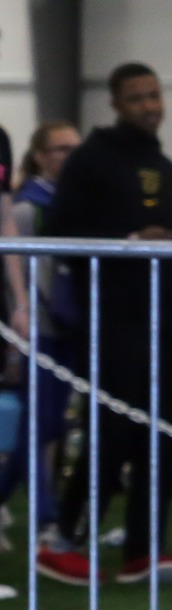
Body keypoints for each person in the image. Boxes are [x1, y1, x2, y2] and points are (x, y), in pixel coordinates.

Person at [36, 63, 172, 586]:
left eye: (155, 94)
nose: (150, 105)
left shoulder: (166, 165)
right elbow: (60, 231)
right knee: (111, 430)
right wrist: (128, 240)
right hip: (115, 317)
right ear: (115, 103)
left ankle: (144, 551)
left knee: (165, 434)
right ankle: (65, 541)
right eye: (136, 98)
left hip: (169, 314)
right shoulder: (91, 159)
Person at [0, 122, 81, 547]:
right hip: (41, 327)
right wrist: (23, 313)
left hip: (69, 326)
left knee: (47, 424)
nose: (69, 156)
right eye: (60, 149)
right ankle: (46, 520)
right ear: (40, 156)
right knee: (40, 424)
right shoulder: (30, 207)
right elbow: (21, 269)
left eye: (75, 148)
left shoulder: (75, 201)